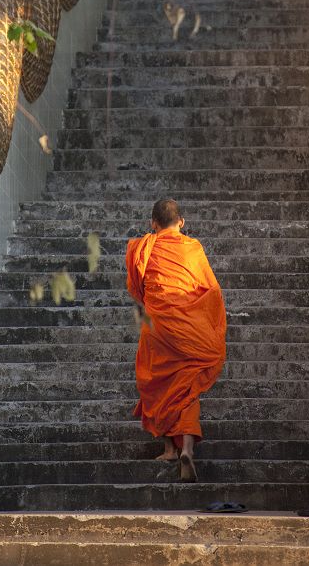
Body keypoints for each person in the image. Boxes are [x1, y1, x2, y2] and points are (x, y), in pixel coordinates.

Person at [125, 197, 227, 482]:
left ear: (153, 224)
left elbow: (137, 287)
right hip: (189, 329)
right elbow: (211, 289)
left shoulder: (145, 246)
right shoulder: (193, 248)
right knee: (187, 387)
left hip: (158, 327)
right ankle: (188, 450)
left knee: (157, 383)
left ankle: (170, 448)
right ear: (182, 222)